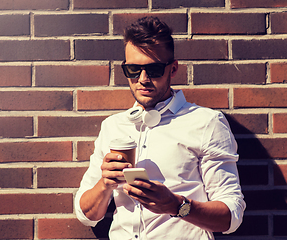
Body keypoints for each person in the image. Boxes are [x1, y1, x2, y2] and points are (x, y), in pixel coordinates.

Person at [74, 16, 246, 239]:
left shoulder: (206, 123)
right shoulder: (113, 126)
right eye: (133, 69)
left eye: (154, 69)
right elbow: (86, 214)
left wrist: (176, 205)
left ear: (173, 69)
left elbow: (231, 217)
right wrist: (105, 184)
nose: (143, 79)